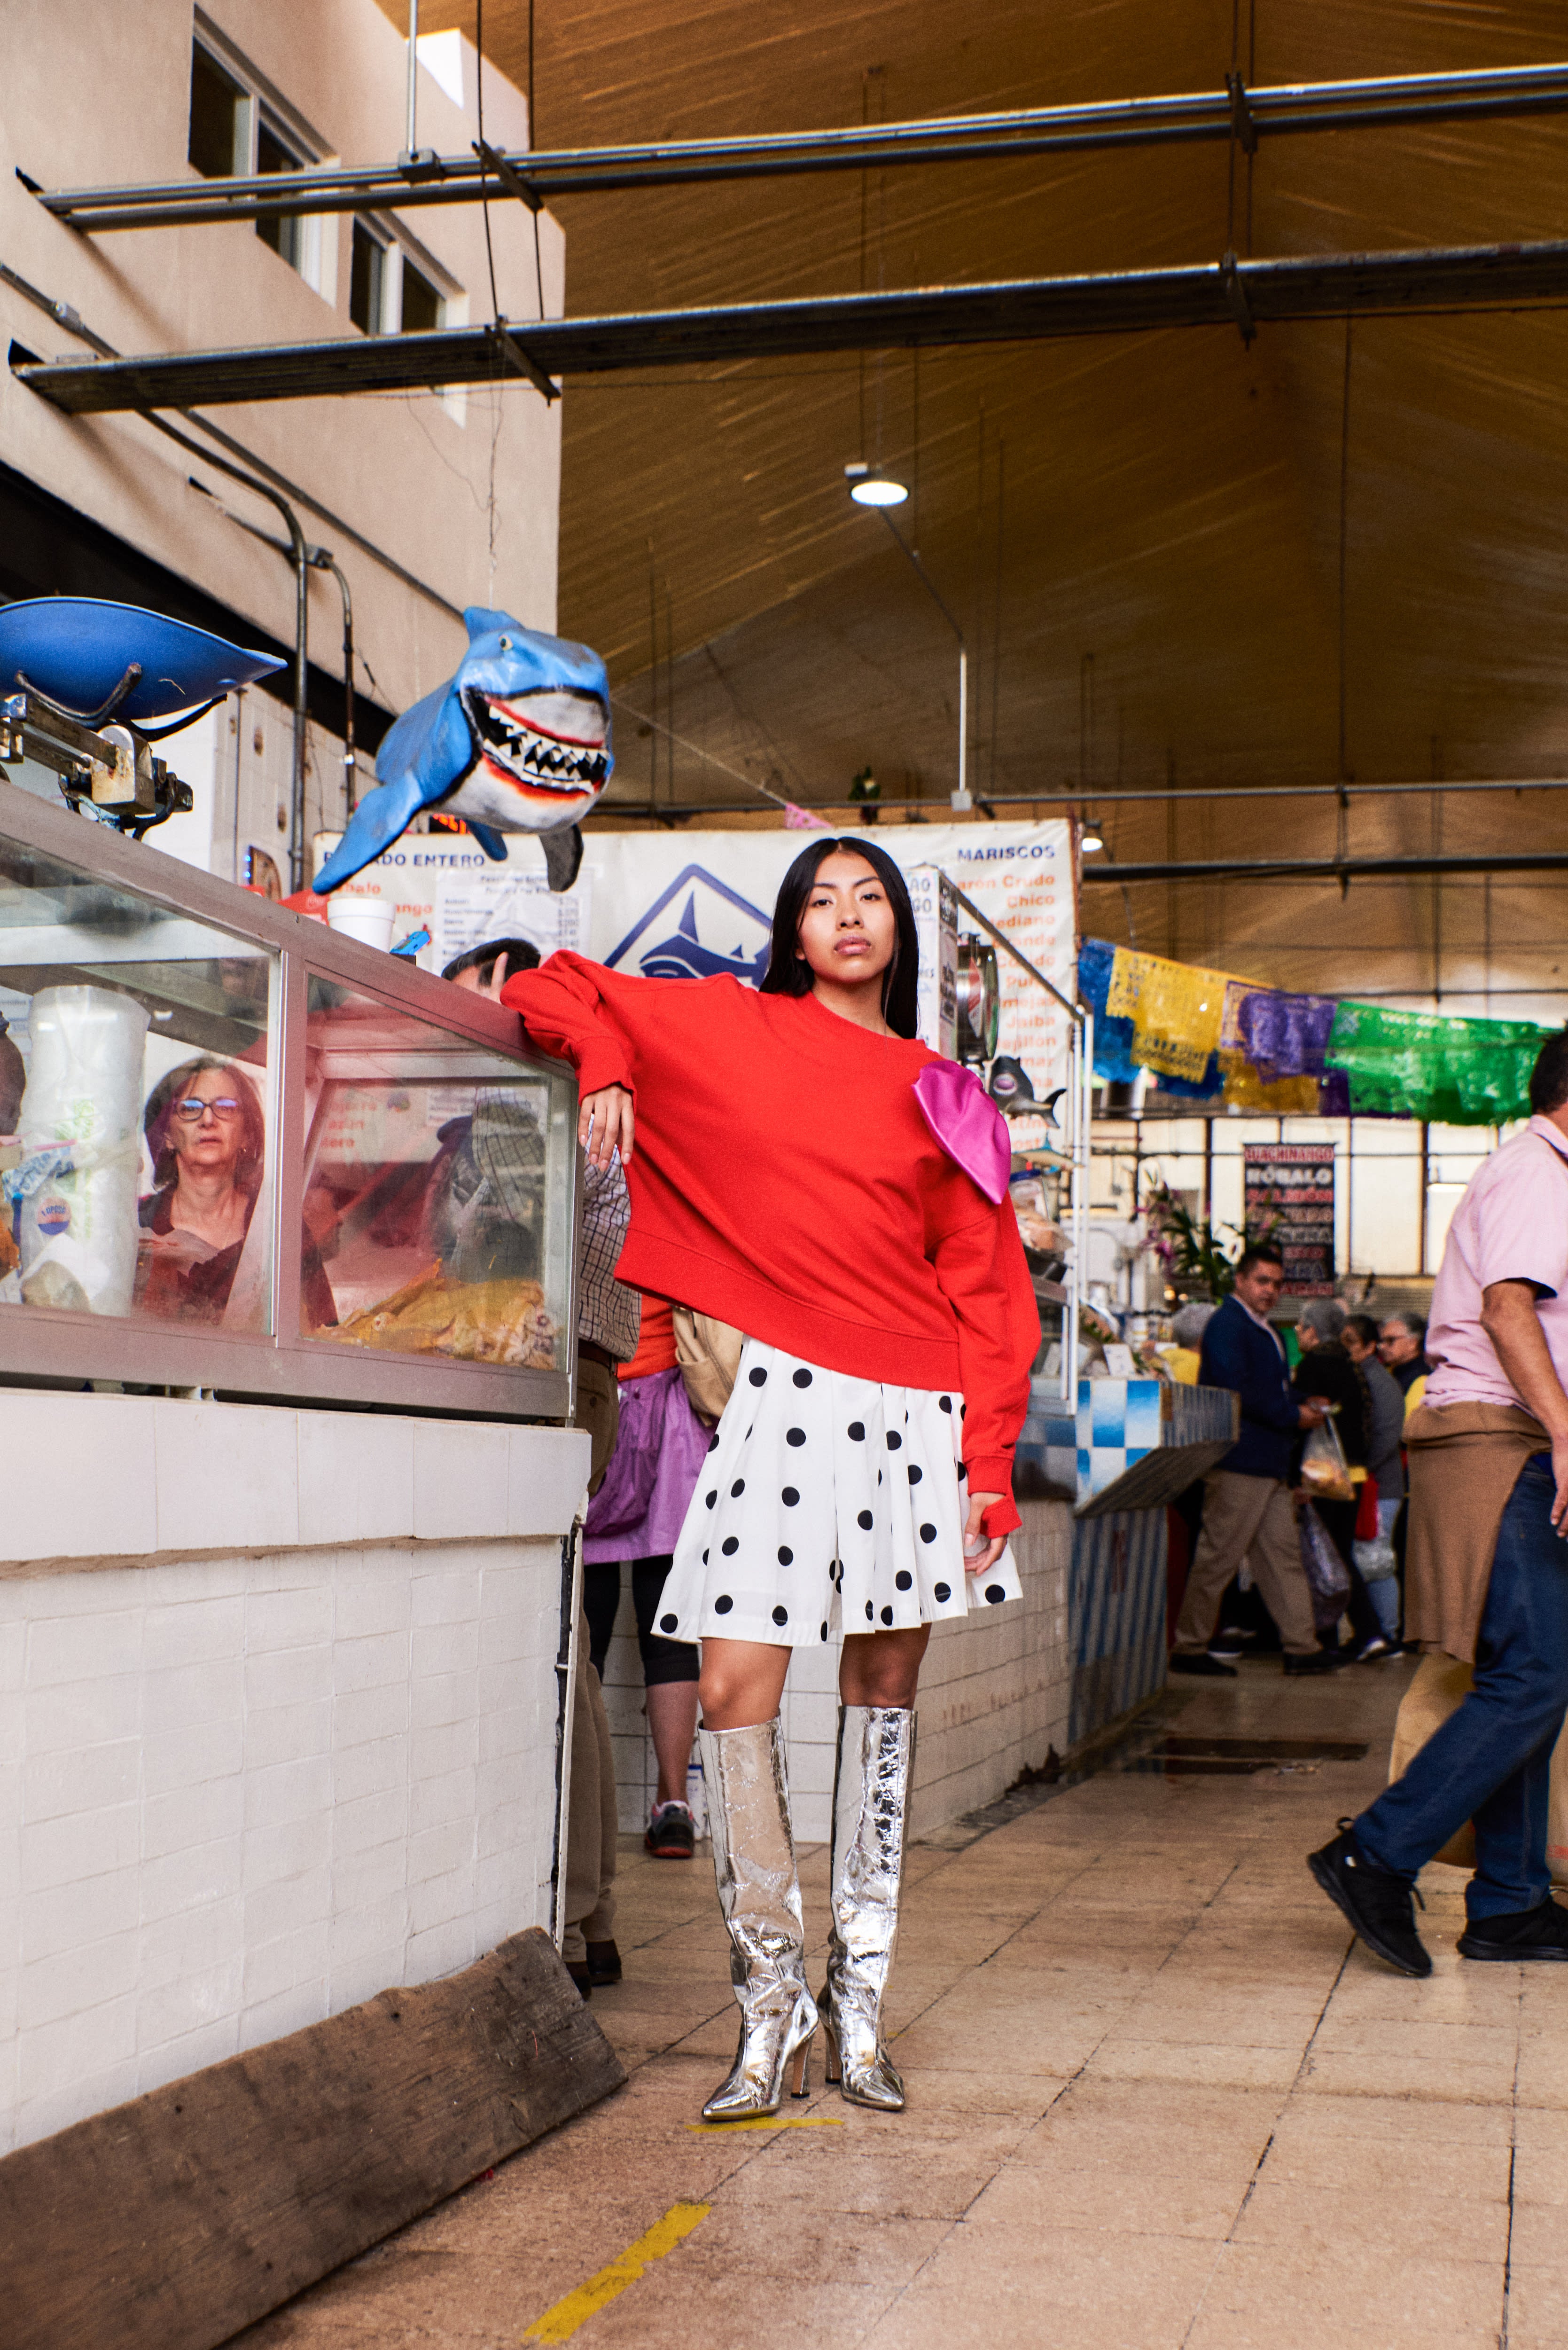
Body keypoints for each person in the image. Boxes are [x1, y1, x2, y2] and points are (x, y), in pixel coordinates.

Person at [500, 837, 1037, 2121]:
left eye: (871, 899)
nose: (848, 917)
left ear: (898, 931)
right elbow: (547, 985)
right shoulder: (732, 1027)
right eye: (822, 900)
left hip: (915, 1407)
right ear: (794, 930)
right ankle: (768, 2004)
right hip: (780, 1401)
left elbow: (985, 1284)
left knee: (882, 1694)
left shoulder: (943, 1090)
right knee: (734, 1691)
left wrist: (989, 1463)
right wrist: (610, 1066)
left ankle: (859, 2005)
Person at [1309, 1032, 1568, 1974]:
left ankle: (1508, 1904)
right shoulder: (1539, 1171)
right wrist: (1567, 1433)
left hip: (1512, 1441)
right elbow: (1507, 1309)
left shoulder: (1541, 1171)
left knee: (1527, 1674)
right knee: (1532, 1674)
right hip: (1501, 1441)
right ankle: (1373, 1853)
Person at [445, 934, 640, 1997]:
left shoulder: (544, 1107)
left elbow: (509, 1246)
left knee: (554, 1645)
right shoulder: (561, 1107)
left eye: (468, 1001)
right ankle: (588, 1909)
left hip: (548, 1377)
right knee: (565, 1641)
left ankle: (570, 1907)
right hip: (560, 1376)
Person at [1168, 1243, 1340, 1678]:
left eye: (1277, 1284)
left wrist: (1304, 1400)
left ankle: (1301, 1646)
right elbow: (1236, 1389)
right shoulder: (1228, 1325)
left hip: (1266, 1461)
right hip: (1239, 1460)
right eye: (1262, 1281)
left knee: (1281, 1557)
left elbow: (1272, 1388)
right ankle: (1189, 1646)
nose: (1270, 1291)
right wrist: (1292, 1415)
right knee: (1218, 1558)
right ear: (1240, 1280)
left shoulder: (1263, 1329)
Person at [582, 1292, 706, 1858]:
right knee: (668, 1617)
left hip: (595, 1392)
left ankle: (581, 1808)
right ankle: (673, 1806)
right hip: (670, 1402)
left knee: (588, 1612)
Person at [136, 1057, 335, 1327]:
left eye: (226, 1108)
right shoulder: (139, 1225)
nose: (208, 1120)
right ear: (167, 1134)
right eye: (190, 1108)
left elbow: (322, 1329)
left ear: (246, 1134)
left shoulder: (279, 1231)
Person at [1292, 1297, 1390, 1661]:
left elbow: (1304, 1426)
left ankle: (1358, 1634)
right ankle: (1349, 1635)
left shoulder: (1313, 1365)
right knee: (1336, 1553)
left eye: (1300, 1328)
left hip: (1322, 1477)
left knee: (1324, 1555)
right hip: (1354, 1474)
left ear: (1312, 1331)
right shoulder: (1352, 1366)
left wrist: (1296, 1479)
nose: (1298, 1334)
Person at [1344, 1310, 1406, 1642]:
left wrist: (1359, 1469)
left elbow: (1386, 1436)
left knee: (1377, 1561)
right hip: (1374, 1484)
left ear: (1370, 1347)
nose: (1344, 1349)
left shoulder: (1378, 1382)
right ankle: (1378, 1632)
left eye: (1350, 1342)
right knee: (1370, 1559)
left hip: (1380, 1487)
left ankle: (1386, 1633)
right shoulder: (1363, 1377)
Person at [1379, 1311, 1429, 1394]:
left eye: (1390, 1340)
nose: (1382, 1346)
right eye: (1382, 1341)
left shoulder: (1423, 1380)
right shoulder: (1391, 1372)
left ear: (1412, 1343)